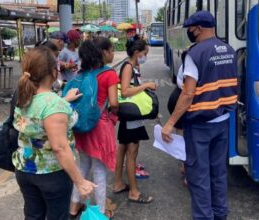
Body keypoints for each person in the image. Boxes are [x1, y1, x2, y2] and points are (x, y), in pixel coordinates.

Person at [161, 11, 238, 220]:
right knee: (218, 172)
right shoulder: (229, 50)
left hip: (200, 126)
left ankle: (204, 217)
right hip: (222, 121)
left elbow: (187, 94)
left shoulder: (196, 54)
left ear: (199, 29)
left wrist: (170, 124)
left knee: (198, 176)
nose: (189, 32)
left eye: (191, 29)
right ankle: (220, 214)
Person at [13, 46, 97, 220]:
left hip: (25, 170)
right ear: (54, 71)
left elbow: (41, 113)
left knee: (33, 216)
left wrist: (64, 101)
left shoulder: (23, 95)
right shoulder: (54, 105)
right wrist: (80, 181)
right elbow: (60, 148)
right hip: (51, 174)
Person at [69, 38, 119, 219]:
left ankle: (73, 209)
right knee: (99, 171)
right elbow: (113, 103)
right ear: (102, 52)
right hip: (100, 126)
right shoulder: (109, 74)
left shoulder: (82, 74)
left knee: (82, 168)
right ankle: (100, 213)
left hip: (81, 127)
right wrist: (115, 114)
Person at [113, 36, 156, 204]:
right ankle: (134, 191)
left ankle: (118, 183)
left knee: (123, 147)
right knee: (132, 152)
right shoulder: (128, 67)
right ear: (137, 52)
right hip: (132, 115)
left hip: (129, 114)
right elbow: (124, 91)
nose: (145, 57)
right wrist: (146, 86)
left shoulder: (130, 66)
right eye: (144, 53)